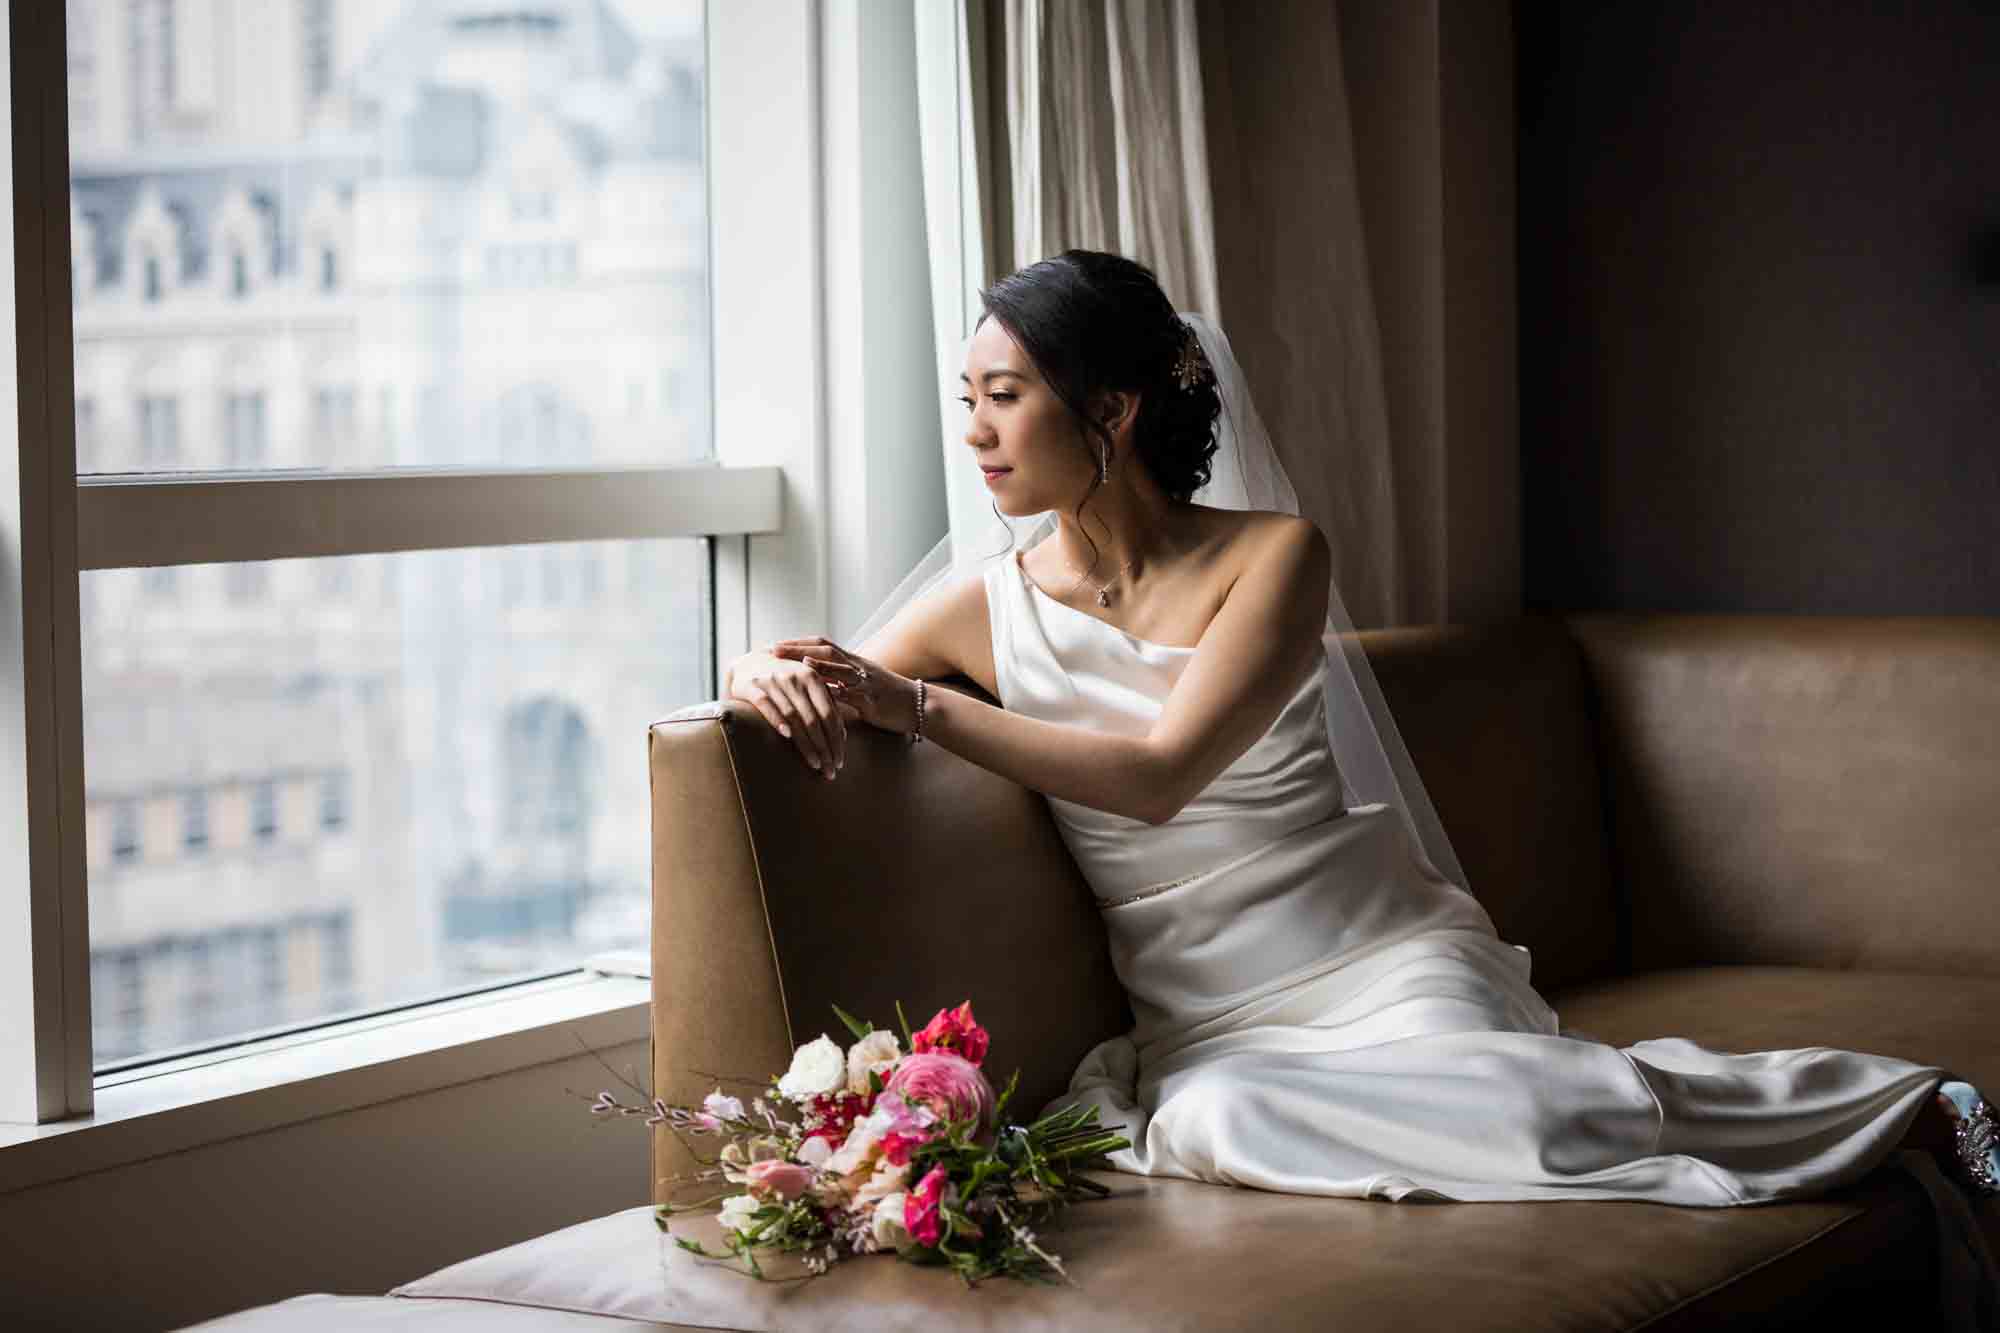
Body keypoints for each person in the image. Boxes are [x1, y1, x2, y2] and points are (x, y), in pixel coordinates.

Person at [723, 250, 1996, 1296]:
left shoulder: (1272, 556)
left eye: (1003, 395)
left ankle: (1905, 1110)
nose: (975, 432)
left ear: (1109, 409)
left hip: (1376, 961)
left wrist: (923, 712)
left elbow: (1163, 773)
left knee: (1524, 1114)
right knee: (1219, 1127)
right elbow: (810, 674)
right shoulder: (978, 612)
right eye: (967, 397)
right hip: (1212, 1026)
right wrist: (748, 673)